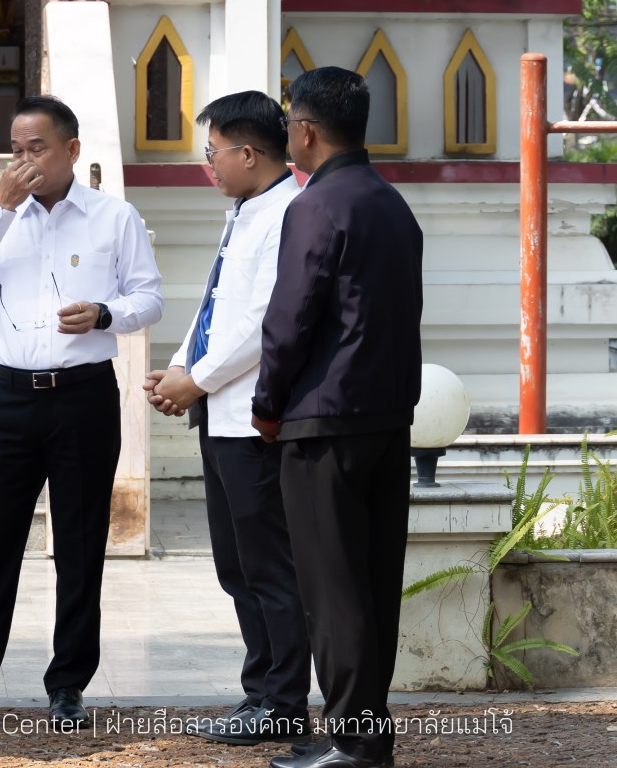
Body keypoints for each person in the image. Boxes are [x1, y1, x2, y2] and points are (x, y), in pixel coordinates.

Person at [0, 95, 163, 732]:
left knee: (80, 547)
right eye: (16, 149)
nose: (24, 161)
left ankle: (68, 687)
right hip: (11, 398)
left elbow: (149, 296)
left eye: (38, 148)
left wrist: (107, 315)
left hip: (83, 396)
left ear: (72, 151)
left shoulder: (114, 217)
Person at [251, 67, 423, 768]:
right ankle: (366, 732)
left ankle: (353, 744)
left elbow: (290, 320)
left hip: (324, 419)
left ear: (306, 131)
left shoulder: (315, 206)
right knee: (374, 581)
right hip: (386, 413)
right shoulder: (389, 202)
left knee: (334, 585)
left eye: (291, 121)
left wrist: (267, 405)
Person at [143, 90, 311, 747]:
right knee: (235, 564)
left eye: (212, 152)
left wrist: (198, 379)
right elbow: (216, 301)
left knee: (269, 564)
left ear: (247, 151)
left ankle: (284, 699)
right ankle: (259, 691)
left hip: (256, 417)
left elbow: (265, 322)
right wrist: (181, 366)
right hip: (220, 411)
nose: (207, 165)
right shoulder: (245, 210)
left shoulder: (291, 213)